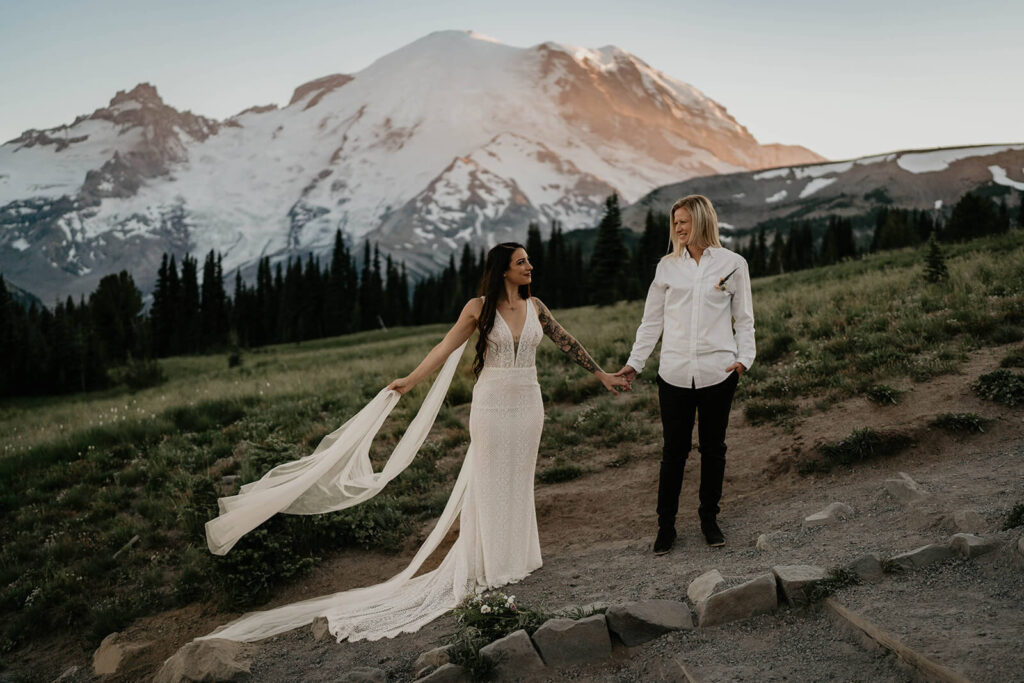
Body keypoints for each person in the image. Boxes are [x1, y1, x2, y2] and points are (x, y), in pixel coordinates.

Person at [200, 242, 628, 643]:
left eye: (529, 261)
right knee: (489, 483)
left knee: (518, 480)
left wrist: (602, 375)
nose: (530, 266)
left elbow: (567, 342)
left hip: (529, 405)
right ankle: (490, 565)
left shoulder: (536, 306)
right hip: (493, 406)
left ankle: (518, 557)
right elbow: (444, 348)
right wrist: (408, 382)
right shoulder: (478, 308)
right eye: (521, 262)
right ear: (503, 270)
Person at [615, 195, 755, 554]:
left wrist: (744, 359)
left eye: (683, 221)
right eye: (674, 222)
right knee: (673, 452)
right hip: (674, 374)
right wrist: (636, 362)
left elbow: (744, 318)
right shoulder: (666, 267)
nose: (677, 228)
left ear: (702, 220)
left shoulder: (733, 264)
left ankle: (709, 519)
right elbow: (652, 321)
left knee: (713, 449)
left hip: (718, 373)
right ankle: (667, 527)